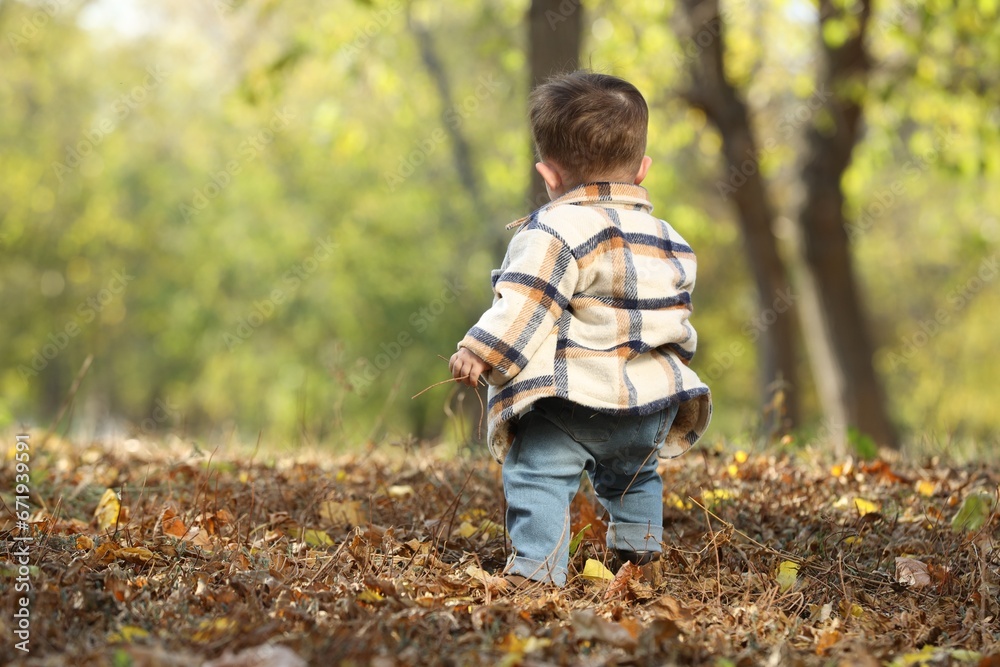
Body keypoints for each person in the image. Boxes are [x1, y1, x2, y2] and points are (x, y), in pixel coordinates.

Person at [449, 71, 712, 588]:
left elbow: (526, 300)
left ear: (548, 177)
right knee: (633, 477)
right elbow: (675, 319)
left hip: (572, 402)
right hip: (648, 406)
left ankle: (537, 573)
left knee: (539, 476)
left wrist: (480, 350)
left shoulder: (554, 230)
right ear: (643, 169)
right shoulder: (670, 240)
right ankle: (640, 557)